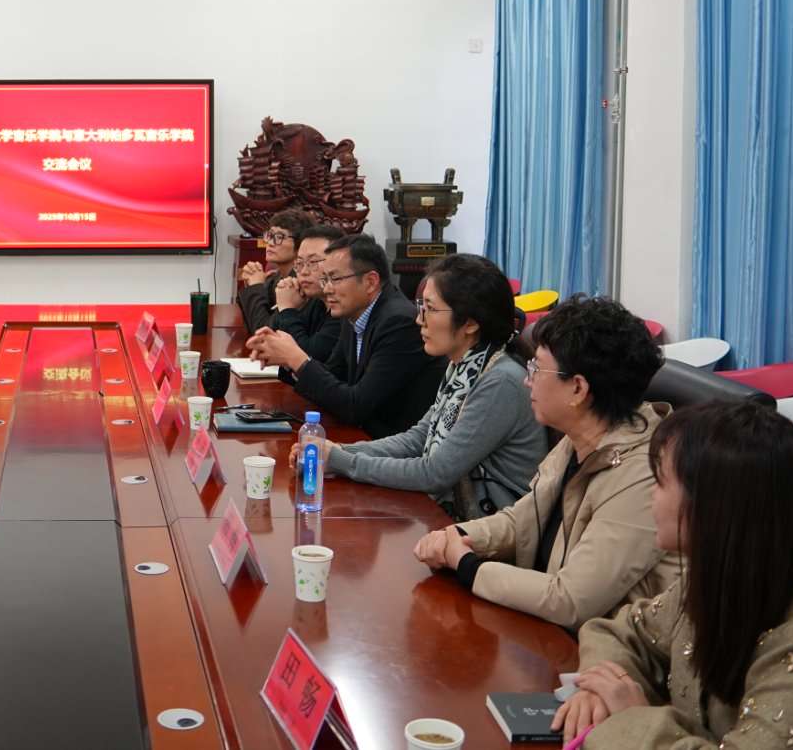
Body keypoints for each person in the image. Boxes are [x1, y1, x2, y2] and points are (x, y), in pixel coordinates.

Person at [556, 400, 793, 747]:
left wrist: (632, 718)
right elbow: (618, 632)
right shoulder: (714, 581)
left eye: (660, 482)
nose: (650, 495)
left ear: (711, 505)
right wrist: (601, 690)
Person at [413, 295, 679, 629]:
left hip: (597, 650)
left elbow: (571, 599)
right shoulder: (580, 436)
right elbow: (522, 520)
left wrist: (467, 564)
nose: (527, 380)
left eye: (537, 369)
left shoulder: (646, 475)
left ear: (578, 389)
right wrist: (457, 534)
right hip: (547, 630)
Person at [293, 254, 546, 517]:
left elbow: (435, 472)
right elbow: (417, 439)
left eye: (431, 309)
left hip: (488, 526)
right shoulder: (465, 366)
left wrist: (341, 460)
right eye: (420, 306)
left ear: (470, 323)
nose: (419, 319)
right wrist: (334, 451)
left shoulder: (500, 381)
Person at [248, 234, 442, 438]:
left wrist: (296, 358)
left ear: (370, 282)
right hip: (362, 436)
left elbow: (355, 406)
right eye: (325, 279)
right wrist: (287, 359)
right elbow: (334, 376)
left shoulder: (399, 323)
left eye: (335, 279)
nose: (327, 289)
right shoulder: (355, 312)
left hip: (392, 444)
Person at [262, 223, 346, 363]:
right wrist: (286, 306)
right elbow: (269, 338)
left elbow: (307, 358)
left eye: (313, 262)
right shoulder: (313, 300)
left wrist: (287, 309)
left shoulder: (345, 309)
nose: (304, 272)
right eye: (299, 263)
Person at [236, 208, 314, 333]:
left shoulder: (298, 285)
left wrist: (256, 286)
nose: (270, 243)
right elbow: (251, 320)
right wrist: (249, 283)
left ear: (301, 244)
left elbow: (263, 331)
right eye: (270, 235)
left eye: (279, 237)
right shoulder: (275, 277)